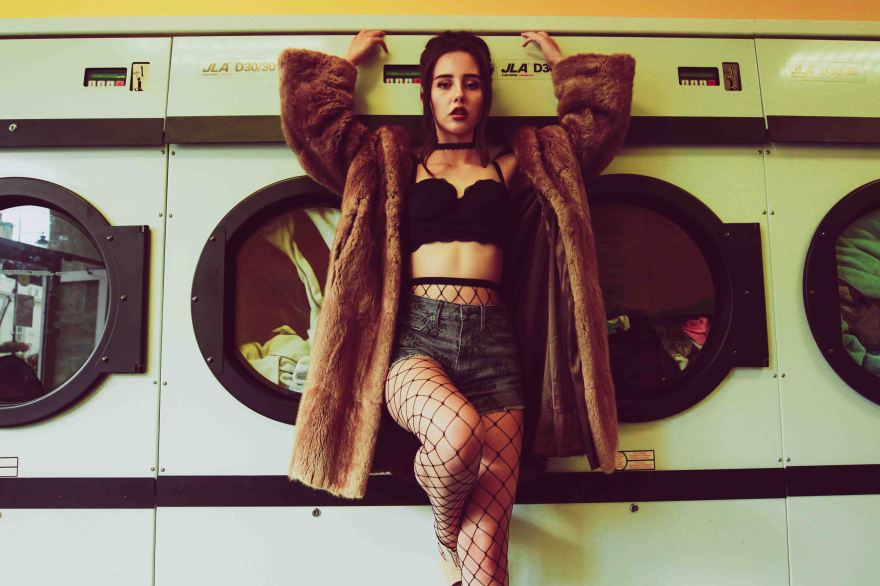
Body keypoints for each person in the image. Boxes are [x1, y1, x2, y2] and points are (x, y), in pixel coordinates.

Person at [278, 30, 635, 586]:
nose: (458, 95)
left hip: (497, 346)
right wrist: (345, 64)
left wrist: (563, 65)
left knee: (489, 568)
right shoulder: (389, 161)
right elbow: (314, 127)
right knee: (457, 434)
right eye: (444, 83)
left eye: (471, 83)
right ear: (427, 93)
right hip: (418, 337)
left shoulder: (517, 163)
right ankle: (445, 538)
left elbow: (592, 132)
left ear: (485, 94)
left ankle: (463, 558)